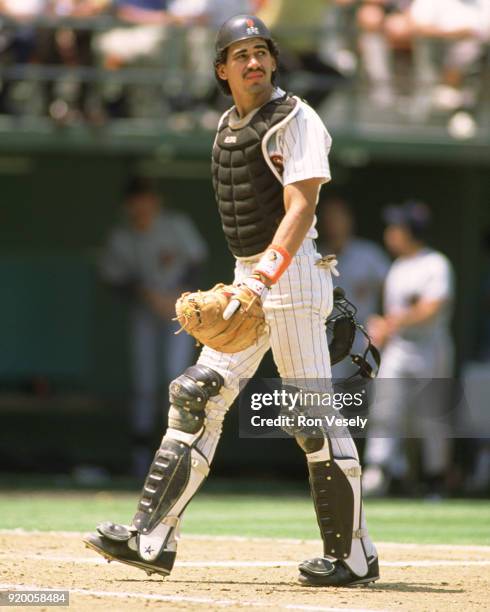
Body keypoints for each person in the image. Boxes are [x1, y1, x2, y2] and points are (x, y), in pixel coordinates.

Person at [84, 14, 380, 587]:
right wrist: (248, 280)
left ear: (273, 59)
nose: (253, 62)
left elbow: (300, 210)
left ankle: (353, 556)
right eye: (240, 54)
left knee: (311, 417)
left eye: (261, 52)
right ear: (222, 69)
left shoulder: (297, 117)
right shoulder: (227, 122)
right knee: (196, 394)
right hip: (252, 278)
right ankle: (152, 537)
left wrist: (262, 279)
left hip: (288, 280)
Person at [99, 177, 208, 476]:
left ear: (156, 200)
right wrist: (146, 294)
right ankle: (140, 458)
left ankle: (177, 452)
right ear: (128, 205)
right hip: (144, 311)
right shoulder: (122, 236)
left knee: (177, 380)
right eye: (136, 199)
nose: (142, 205)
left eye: (146, 198)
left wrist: (181, 295)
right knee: (144, 384)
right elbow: (113, 279)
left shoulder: (175, 224)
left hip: (179, 306)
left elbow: (197, 262)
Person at [363, 201, 455, 496]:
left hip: (430, 346)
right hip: (400, 347)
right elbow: (393, 312)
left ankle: (435, 479)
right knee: (386, 408)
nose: (390, 233)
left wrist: (392, 322)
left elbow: (432, 307)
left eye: (396, 228)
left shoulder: (435, 263)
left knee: (432, 415)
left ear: (409, 231)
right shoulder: (398, 266)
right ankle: (379, 469)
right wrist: (382, 328)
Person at [318, 196, 390, 379]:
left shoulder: (369, 254)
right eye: (329, 219)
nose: (334, 224)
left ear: (349, 220)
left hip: (365, 333)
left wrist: (385, 322)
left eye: (338, 217)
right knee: (329, 397)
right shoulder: (315, 257)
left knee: (370, 398)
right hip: (328, 335)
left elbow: (390, 290)